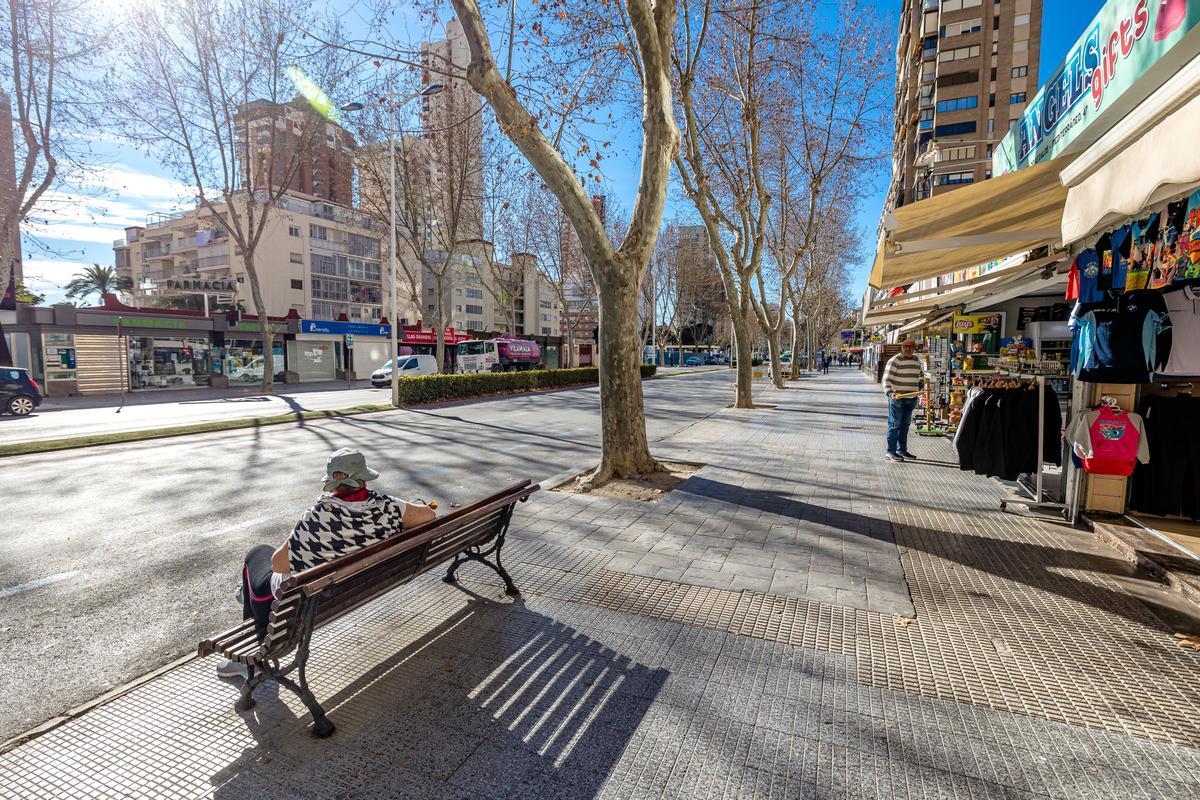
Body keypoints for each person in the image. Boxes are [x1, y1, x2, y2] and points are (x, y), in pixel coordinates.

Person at [218, 448, 437, 677]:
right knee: (260, 575)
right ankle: (247, 596)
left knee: (258, 553)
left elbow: (278, 565)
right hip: (352, 589)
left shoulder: (319, 515)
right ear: (363, 478)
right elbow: (429, 515)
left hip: (305, 600)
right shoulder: (389, 507)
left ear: (332, 481)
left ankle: (247, 657)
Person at [882, 338, 924, 463]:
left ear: (914, 348)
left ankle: (902, 450)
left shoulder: (916, 360)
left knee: (905, 426)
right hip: (897, 399)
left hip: (911, 398)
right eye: (906, 346)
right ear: (901, 347)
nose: (908, 348)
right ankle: (890, 452)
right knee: (894, 425)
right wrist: (890, 393)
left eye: (911, 346)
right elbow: (886, 379)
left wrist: (920, 385)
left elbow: (921, 375)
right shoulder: (895, 360)